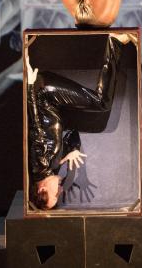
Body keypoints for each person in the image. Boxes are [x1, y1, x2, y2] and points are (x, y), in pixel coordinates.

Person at [26, 32, 129, 210]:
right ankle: (114, 43)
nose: (60, 191)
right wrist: (72, 150)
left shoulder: (40, 165)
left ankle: (114, 42)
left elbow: (35, 124)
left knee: (101, 102)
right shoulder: (51, 168)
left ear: (42, 189)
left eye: (55, 194)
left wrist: (29, 87)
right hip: (50, 98)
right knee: (101, 103)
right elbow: (71, 133)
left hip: (43, 94)